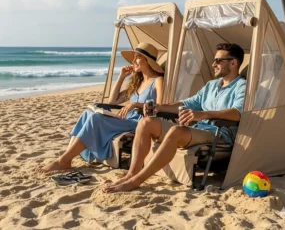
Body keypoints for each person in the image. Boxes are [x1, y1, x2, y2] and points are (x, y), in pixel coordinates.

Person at [104, 43, 246, 193]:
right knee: (147, 122)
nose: (213, 64)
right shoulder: (211, 85)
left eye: (218, 61)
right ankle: (132, 173)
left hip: (218, 134)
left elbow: (238, 113)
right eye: (214, 60)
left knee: (176, 130)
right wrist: (160, 107)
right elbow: (186, 103)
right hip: (198, 130)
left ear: (233, 62)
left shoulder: (241, 86)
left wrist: (204, 114)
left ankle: (137, 180)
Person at [40, 42, 164, 172]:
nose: (133, 61)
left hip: (139, 123)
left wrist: (134, 104)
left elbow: (160, 106)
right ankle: (65, 158)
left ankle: (64, 161)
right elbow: (112, 101)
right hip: (124, 119)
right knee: (87, 114)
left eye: (137, 57)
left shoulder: (157, 80)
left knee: (95, 118)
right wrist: (121, 77)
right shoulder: (138, 82)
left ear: (147, 60)